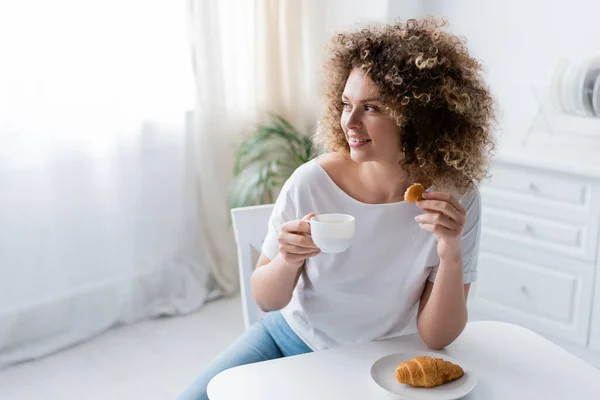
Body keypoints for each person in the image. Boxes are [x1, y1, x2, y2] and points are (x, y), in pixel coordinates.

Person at [177, 16, 496, 400]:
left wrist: (450, 255)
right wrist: (289, 260)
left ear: (419, 118)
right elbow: (266, 298)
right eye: (346, 104)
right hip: (289, 340)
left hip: (382, 363)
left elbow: (437, 336)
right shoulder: (312, 182)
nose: (350, 122)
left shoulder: (456, 198)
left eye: (372, 107)